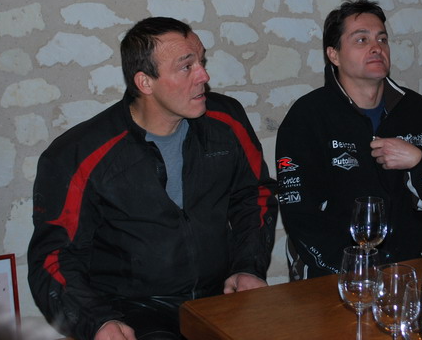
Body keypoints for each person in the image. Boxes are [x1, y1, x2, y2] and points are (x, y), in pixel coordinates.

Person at [27, 17, 277, 340]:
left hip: (219, 298)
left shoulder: (227, 120)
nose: (204, 75)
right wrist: (97, 321)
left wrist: (248, 266)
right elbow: (53, 257)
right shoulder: (78, 154)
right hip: (131, 312)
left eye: (201, 61)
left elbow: (254, 194)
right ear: (145, 82)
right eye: (186, 67)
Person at [275, 0, 422, 279]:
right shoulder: (307, 116)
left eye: (382, 39)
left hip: (409, 270)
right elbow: (300, 214)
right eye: (361, 40)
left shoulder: (417, 110)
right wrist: (351, 270)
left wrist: (419, 162)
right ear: (333, 55)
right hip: (333, 273)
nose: (376, 47)